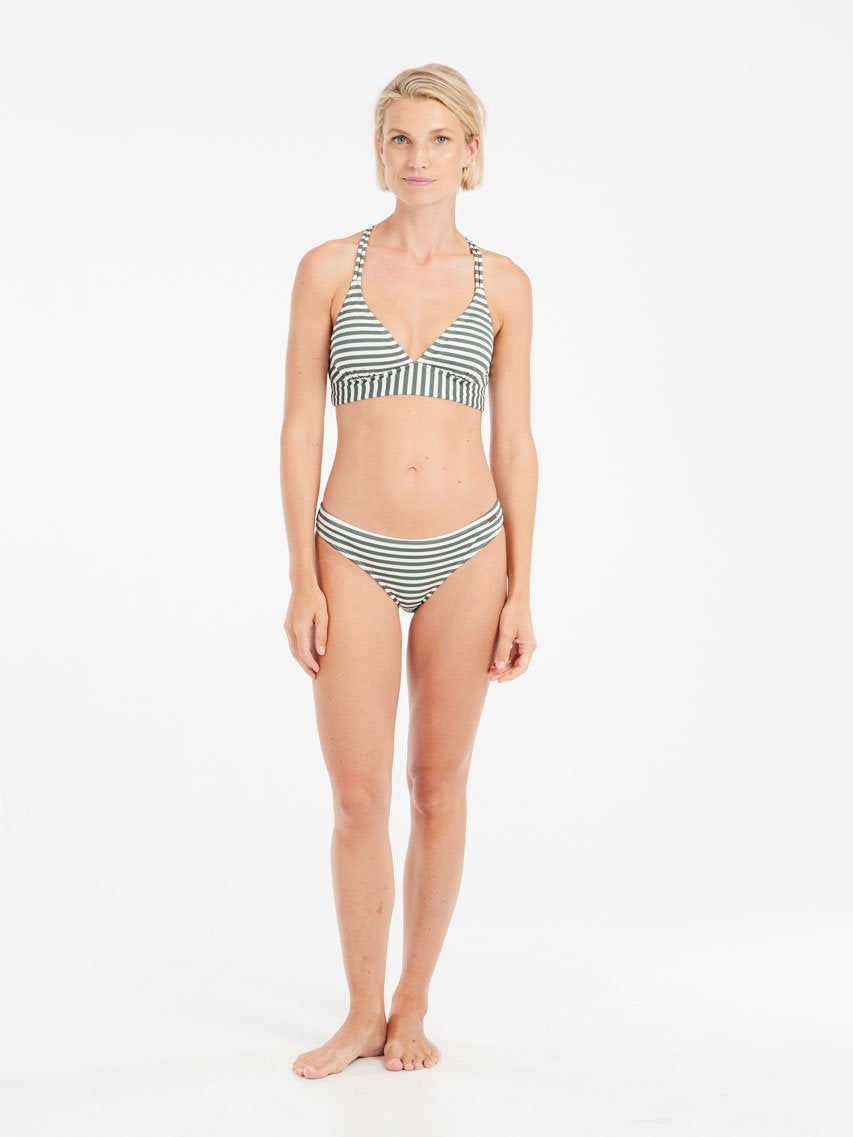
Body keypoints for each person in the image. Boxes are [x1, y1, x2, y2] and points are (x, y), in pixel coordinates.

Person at [280, 63, 538, 1078]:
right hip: (350, 547)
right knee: (357, 798)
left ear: (470, 153)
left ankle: (412, 1004)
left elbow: (515, 442)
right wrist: (301, 575)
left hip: (470, 551)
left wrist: (522, 586)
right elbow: (300, 430)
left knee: (437, 788)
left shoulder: (503, 285)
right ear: (379, 151)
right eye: (400, 139)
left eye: (438, 139)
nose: (417, 157)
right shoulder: (326, 270)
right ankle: (358, 1011)